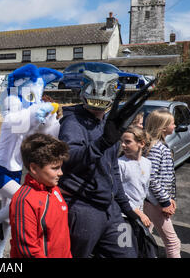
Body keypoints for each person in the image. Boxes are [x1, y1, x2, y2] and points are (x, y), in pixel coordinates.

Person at [57, 71, 154, 258]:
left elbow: (113, 169)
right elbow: (68, 159)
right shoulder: (72, 122)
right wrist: (102, 143)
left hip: (111, 210)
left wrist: (127, 208)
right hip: (84, 209)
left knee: (127, 255)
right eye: (94, 105)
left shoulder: (107, 123)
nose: (98, 110)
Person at [0, 64, 63, 258]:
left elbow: (49, 134)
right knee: (22, 202)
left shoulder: (29, 121)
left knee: (9, 218)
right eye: (31, 97)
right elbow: (24, 119)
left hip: (15, 174)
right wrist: (41, 109)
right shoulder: (11, 120)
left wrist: (51, 118)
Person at [10, 133, 71, 258]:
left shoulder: (54, 189)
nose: (61, 173)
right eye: (55, 168)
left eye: (60, 167)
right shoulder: (24, 201)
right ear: (34, 168)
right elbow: (28, 249)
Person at [144, 108, 181, 258]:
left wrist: (171, 198)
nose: (175, 126)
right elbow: (151, 177)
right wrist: (165, 201)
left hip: (154, 200)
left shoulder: (158, 145)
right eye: (173, 123)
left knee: (145, 235)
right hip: (156, 202)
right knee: (173, 243)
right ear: (163, 127)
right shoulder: (156, 148)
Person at [119, 126, 157, 256]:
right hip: (123, 216)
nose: (123, 145)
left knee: (142, 250)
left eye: (128, 142)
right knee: (124, 251)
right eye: (122, 141)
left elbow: (145, 189)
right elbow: (118, 194)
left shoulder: (147, 163)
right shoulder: (120, 164)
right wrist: (137, 212)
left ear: (141, 143)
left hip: (138, 215)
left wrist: (162, 204)